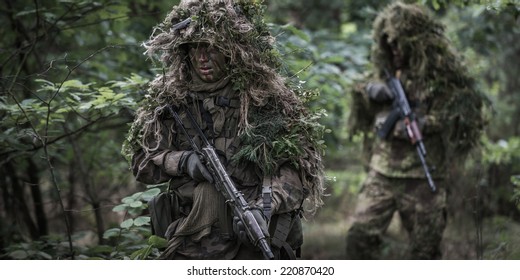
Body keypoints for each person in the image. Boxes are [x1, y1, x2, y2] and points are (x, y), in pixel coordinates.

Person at [122, 0, 325, 260]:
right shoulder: (170, 99)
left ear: (232, 49)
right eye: (194, 47)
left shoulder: (266, 97)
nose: (202, 57)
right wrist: (183, 161)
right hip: (192, 241)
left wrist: (263, 209)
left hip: (253, 236)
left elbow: (297, 170)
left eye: (211, 47)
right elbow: (141, 164)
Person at [345, 2, 488, 259]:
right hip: (383, 172)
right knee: (359, 236)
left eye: (399, 43)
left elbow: (461, 113)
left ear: (415, 42)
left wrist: (425, 123)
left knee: (426, 250)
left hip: (424, 175)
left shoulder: (439, 76)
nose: (395, 49)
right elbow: (360, 94)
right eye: (390, 44)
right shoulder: (384, 71)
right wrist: (370, 91)